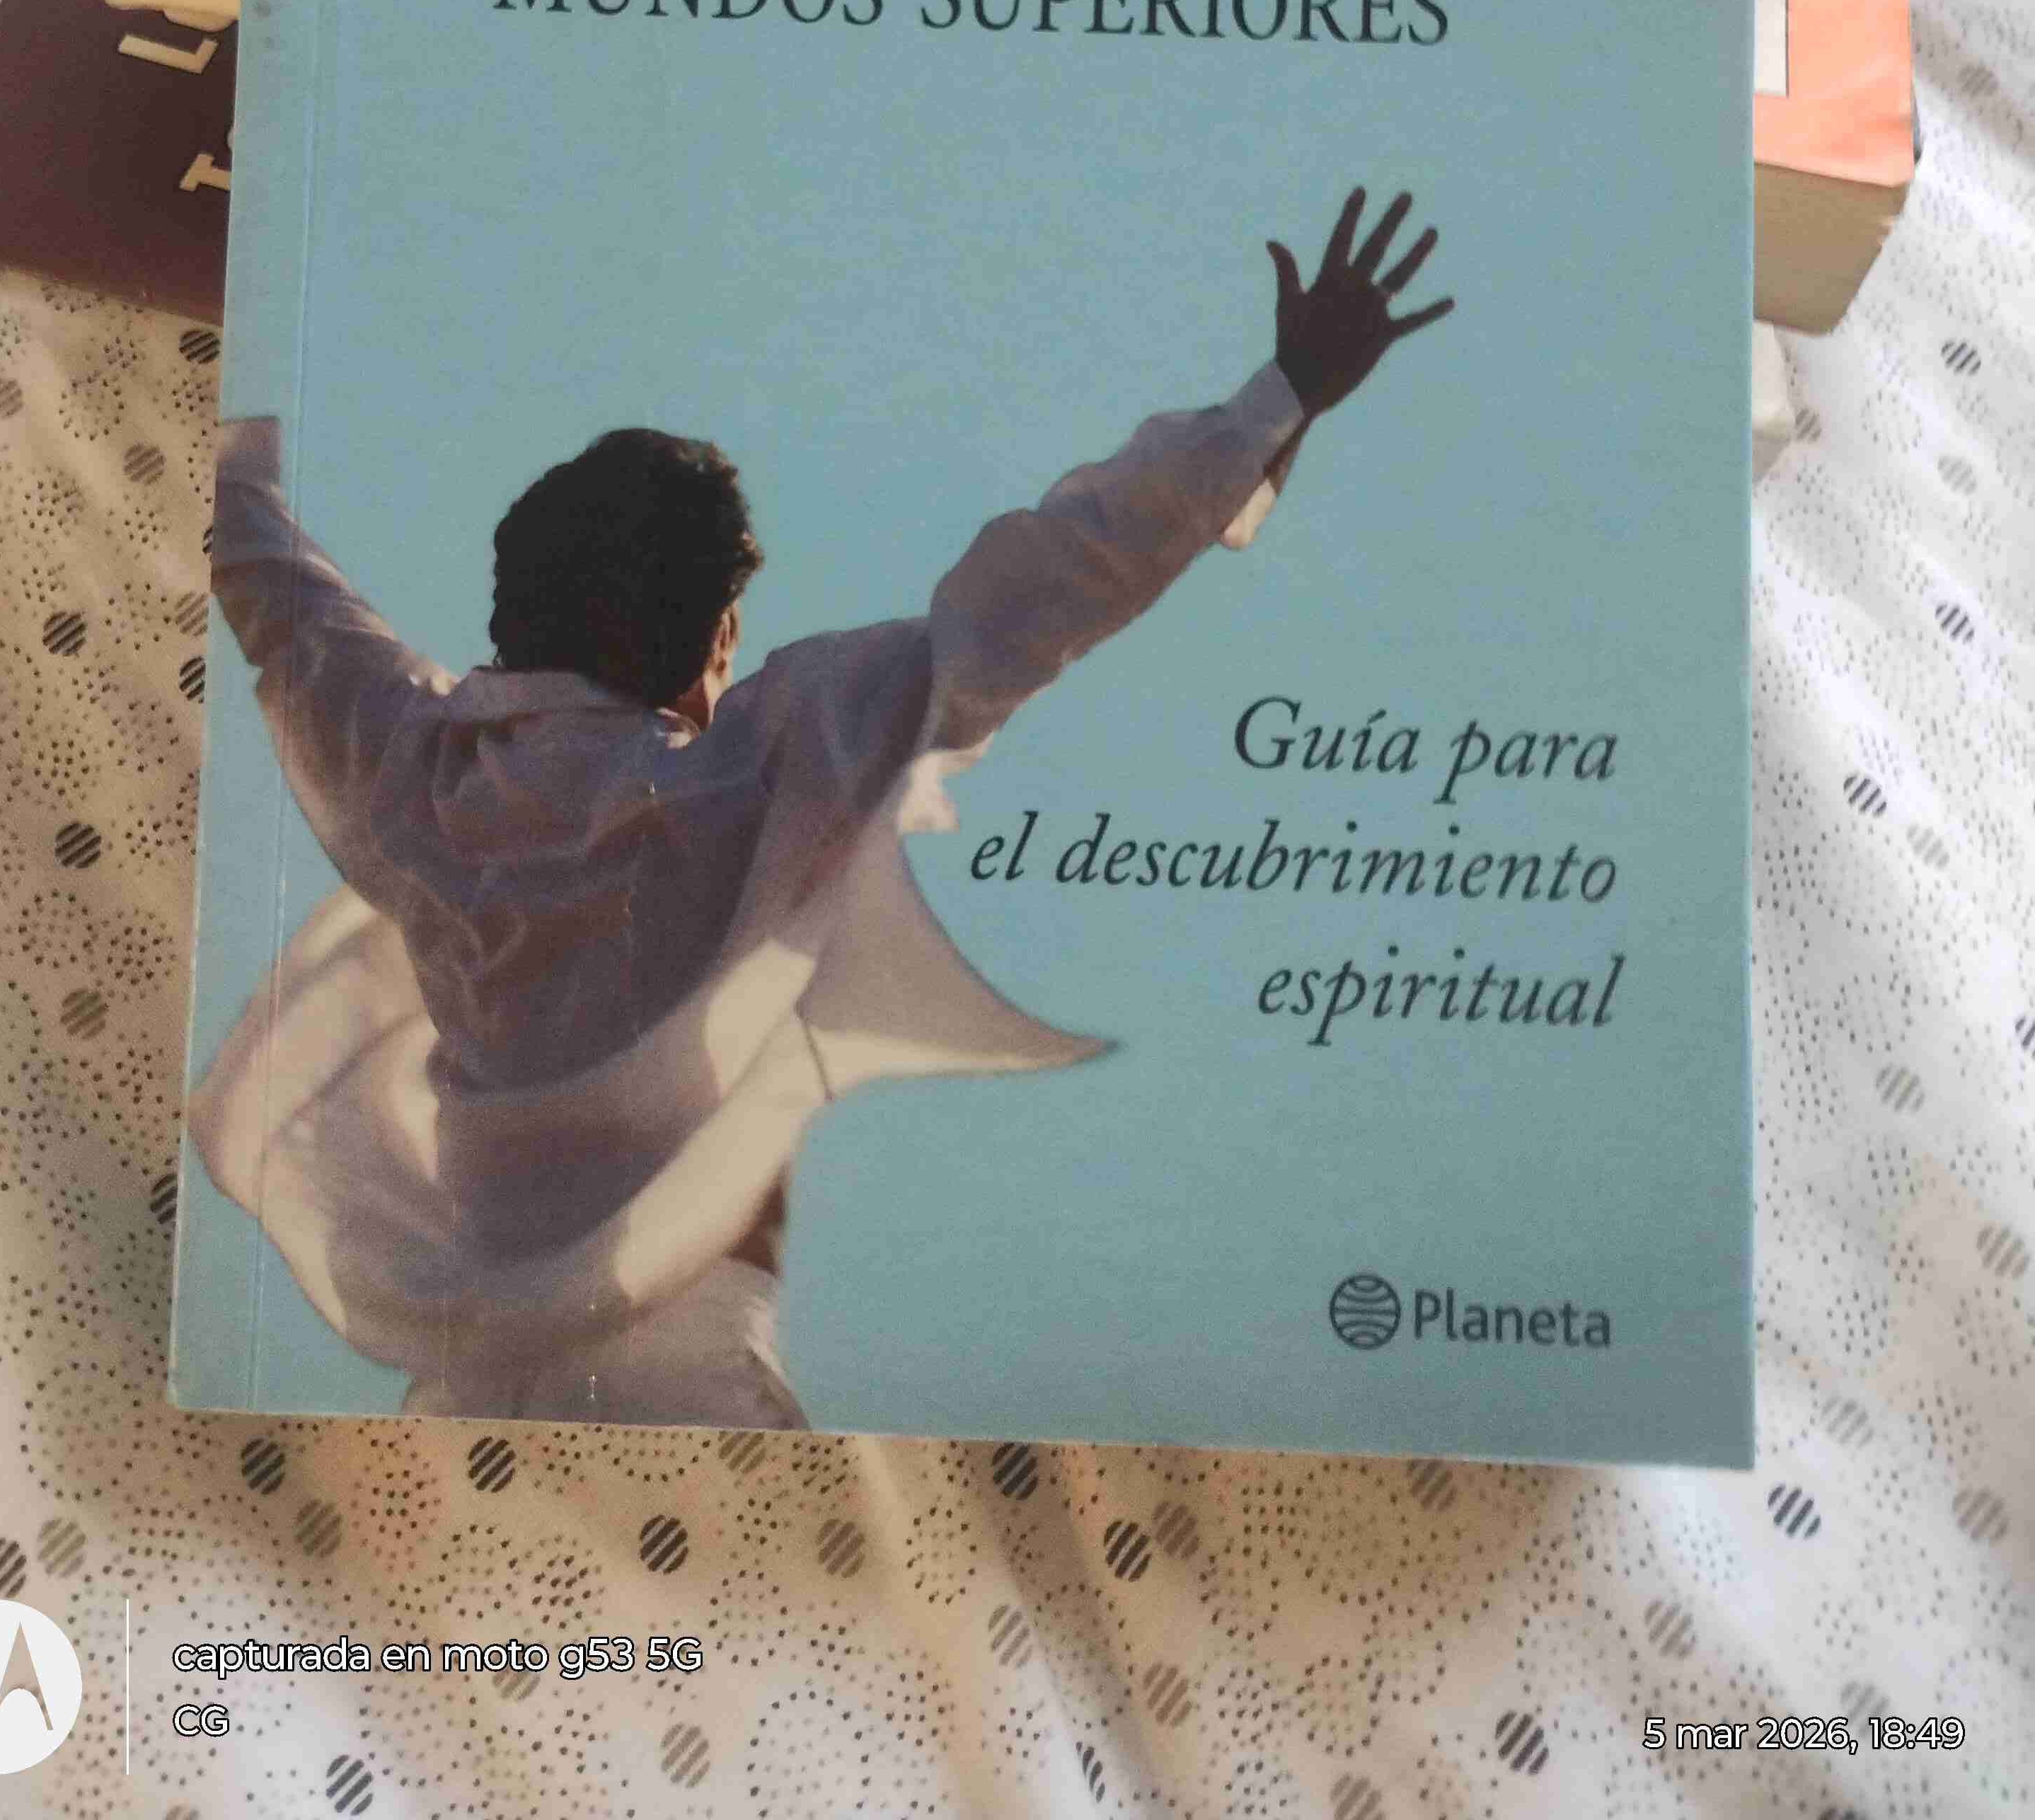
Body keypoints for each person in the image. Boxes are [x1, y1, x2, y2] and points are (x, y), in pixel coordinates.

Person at [186, 188, 1451, 1425]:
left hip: (472, 1393)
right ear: (719, 633)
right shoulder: (767, 765)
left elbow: (263, 569)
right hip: (687, 1368)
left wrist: (233, 324)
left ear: (512, 613)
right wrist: (1283, 393)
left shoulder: (414, 774)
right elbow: (1058, 577)